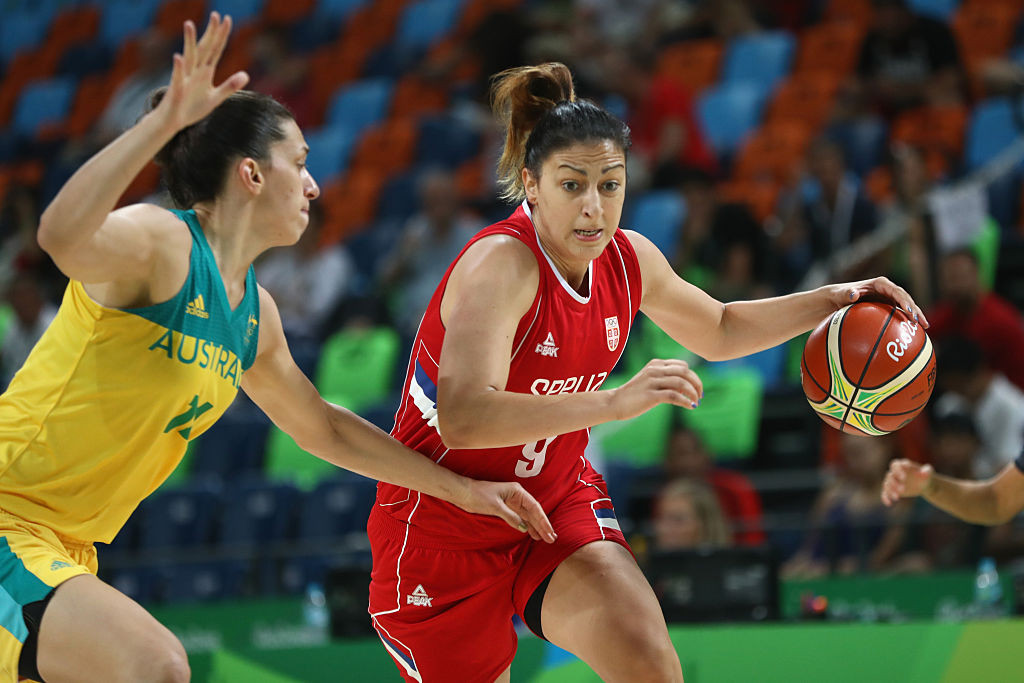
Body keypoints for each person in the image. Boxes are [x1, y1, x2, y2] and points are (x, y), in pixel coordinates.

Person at [0, 15, 555, 683]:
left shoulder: (253, 315)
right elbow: (59, 236)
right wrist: (160, 124)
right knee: (154, 665)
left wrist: (462, 490)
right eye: (300, 162)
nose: (314, 185)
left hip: (67, 548)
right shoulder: (161, 243)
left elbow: (321, 427)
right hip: (10, 517)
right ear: (252, 175)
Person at [367, 61, 926, 683]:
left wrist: (835, 299)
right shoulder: (501, 265)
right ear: (532, 184)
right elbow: (464, 418)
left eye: (610, 185)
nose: (593, 207)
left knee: (649, 663)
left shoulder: (631, 259)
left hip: (551, 502)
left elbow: (720, 328)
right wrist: (613, 402)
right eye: (572, 185)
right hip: (443, 526)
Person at [650, 478, 732, 552]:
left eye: (678, 520)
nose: (664, 528)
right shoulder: (646, 562)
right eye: (660, 518)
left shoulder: (731, 563)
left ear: (706, 524)